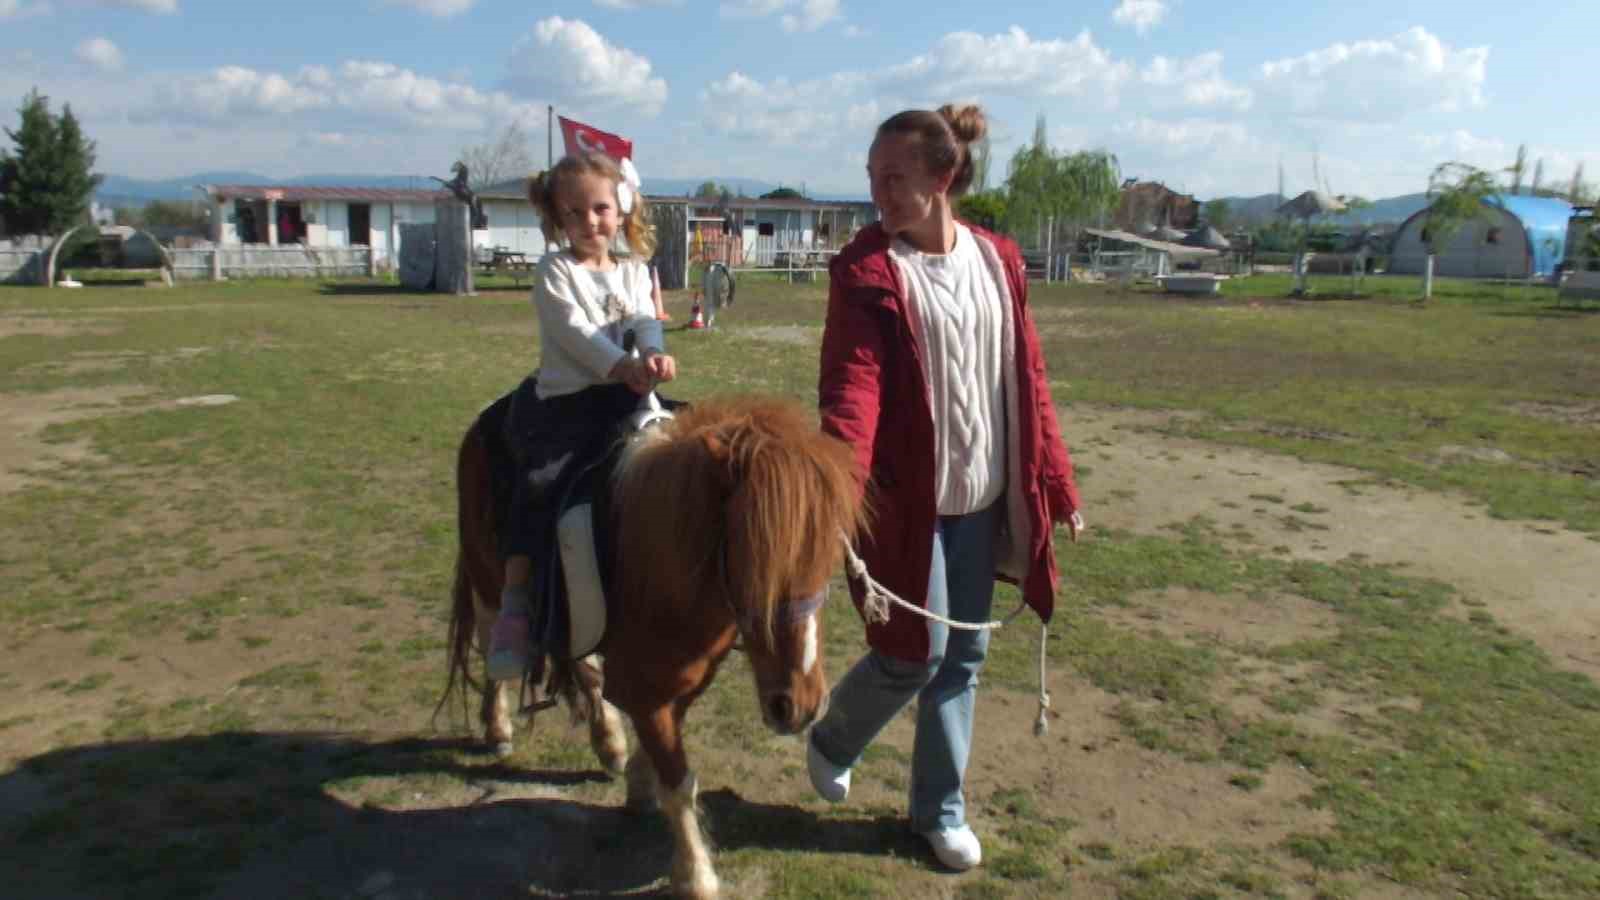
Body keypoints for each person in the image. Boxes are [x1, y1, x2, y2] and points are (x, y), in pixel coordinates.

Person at [806, 104, 1085, 871]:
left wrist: (1055, 481)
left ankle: (938, 812)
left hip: (985, 498)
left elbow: (1027, 377)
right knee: (913, 653)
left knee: (962, 659)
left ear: (944, 177)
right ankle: (833, 737)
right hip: (906, 504)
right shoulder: (866, 270)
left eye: (894, 178)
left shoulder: (1001, 260)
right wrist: (838, 481)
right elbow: (852, 388)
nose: (879, 194)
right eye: (872, 178)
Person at [486, 152, 679, 681]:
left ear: (620, 209)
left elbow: (646, 321)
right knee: (541, 484)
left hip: (628, 396)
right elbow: (574, 333)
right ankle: (516, 603)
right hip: (568, 404)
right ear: (557, 220)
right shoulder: (555, 272)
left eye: (599, 209)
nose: (589, 222)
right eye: (573, 213)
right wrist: (621, 365)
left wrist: (654, 355)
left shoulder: (636, 270)